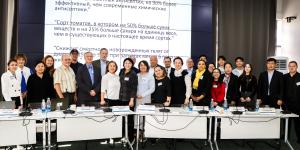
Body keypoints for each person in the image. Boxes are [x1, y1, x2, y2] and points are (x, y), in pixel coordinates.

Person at [119, 58, 138, 142]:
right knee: (123, 118)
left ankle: (131, 138)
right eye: (126, 63)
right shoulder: (121, 71)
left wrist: (132, 100)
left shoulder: (133, 74)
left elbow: (134, 88)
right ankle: (124, 136)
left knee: (130, 119)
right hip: (120, 99)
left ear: (132, 64)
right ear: (123, 64)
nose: (127, 64)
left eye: (129, 63)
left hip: (129, 99)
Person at [283, 61, 300, 143]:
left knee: (298, 122)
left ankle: (299, 137)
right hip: (286, 104)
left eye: (293, 66)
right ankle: (286, 136)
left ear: (297, 67)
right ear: (288, 67)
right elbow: (281, 89)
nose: (291, 67)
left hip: (298, 104)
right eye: (290, 66)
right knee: (286, 121)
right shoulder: (284, 77)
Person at [135, 60, 155, 131]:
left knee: (145, 115)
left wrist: (142, 95)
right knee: (137, 115)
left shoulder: (150, 76)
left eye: (144, 65)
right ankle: (138, 132)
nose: (142, 67)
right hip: (137, 99)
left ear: (147, 66)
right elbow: (134, 87)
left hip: (146, 98)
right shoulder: (137, 75)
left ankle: (145, 132)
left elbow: (152, 88)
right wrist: (136, 95)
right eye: (141, 65)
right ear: (139, 67)